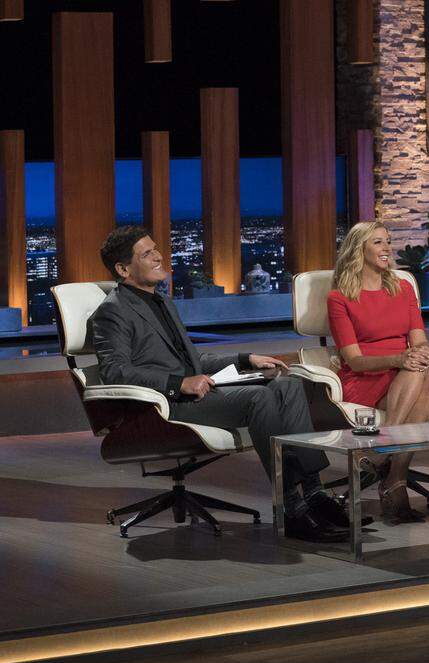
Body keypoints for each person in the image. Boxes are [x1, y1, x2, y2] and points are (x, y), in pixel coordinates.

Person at [90, 226, 349, 543]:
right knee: (258, 399)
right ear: (123, 269)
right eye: (147, 254)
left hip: (196, 394)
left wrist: (246, 358)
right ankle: (291, 508)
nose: (159, 256)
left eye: (156, 249)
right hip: (164, 405)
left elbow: (194, 359)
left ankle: (314, 493)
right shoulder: (112, 312)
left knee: (288, 384)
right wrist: (178, 382)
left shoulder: (162, 302)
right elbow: (115, 372)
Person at [327, 221, 429, 524]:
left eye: (388, 241)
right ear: (359, 249)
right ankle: (395, 481)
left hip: (406, 371)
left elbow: (418, 337)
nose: (387, 249)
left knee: (422, 383)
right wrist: (400, 359)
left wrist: (422, 352)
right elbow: (354, 360)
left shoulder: (404, 287)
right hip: (366, 375)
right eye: (379, 243)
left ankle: (387, 454)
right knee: (423, 394)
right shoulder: (339, 298)